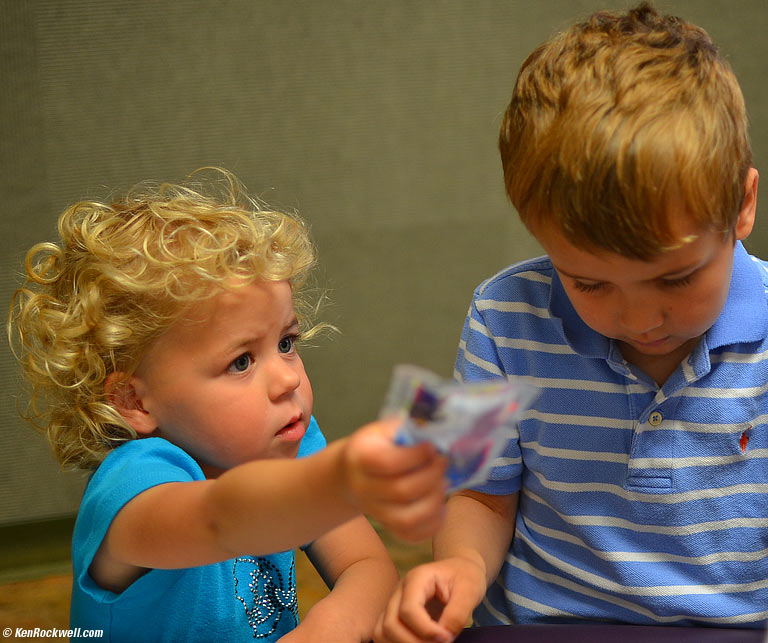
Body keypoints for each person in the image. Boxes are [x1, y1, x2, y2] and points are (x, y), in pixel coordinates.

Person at [375, 3, 768, 641]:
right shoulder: (498, 314)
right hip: (542, 625)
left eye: (674, 278)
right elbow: (472, 491)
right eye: (587, 282)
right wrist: (457, 568)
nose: (639, 318)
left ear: (743, 204)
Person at [8, 168, 447, 642]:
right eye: (241, 361)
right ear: (133, 400)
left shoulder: (290, 440)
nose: (287, 379)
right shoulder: (131, 490)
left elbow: (367, 566)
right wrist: (341, 475)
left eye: (286, 342)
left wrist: (332, 624)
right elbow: (220, 519)